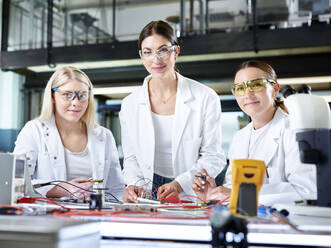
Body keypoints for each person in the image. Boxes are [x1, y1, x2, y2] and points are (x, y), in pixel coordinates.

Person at [120, 20, 226, 203]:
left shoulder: (205, 97)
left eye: (163, 50)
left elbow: (213, 156)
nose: (156, 59)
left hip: (188, 187)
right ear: (141, 56)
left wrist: (179, 184)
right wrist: (133, 184)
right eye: (148, 52)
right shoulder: (129, 104)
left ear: (175, 51)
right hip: (146, 189)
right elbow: (130, 158)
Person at [192, 60, 316, 206]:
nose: (247, 94)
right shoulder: (240, 137)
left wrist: (240, 194)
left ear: (275, 88)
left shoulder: (294, 130)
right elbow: (233, 189)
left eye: (256, 85)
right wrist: (213, 195)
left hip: (288, 221)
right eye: (240, 88)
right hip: (249, 220)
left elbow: (305, 189)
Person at [14, 66, 125, 200]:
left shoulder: (104, 135)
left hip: (94, 216)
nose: (76, 102)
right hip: (47, 216)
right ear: (52, 96)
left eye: (82, 95)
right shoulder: (34, 130)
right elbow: (17, 182)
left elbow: (116, 189)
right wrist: (59, 189)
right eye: (67, 95)